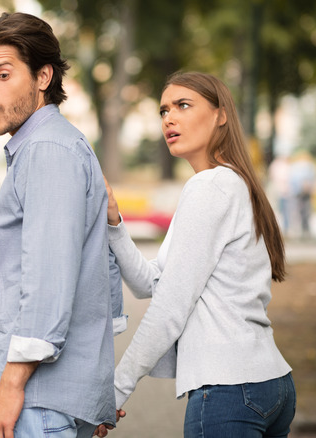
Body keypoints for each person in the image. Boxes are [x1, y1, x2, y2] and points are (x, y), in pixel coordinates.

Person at [97, 72, 295, 438]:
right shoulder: (231, 182)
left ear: (221, 114)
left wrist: (114, 390)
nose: (168, 118)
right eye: (163, 110)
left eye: (183, 106)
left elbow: (169, 308)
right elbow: (152, 283)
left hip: (230, 391)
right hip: (272, 385)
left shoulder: (209, 188)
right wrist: (114, 223)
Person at [0, 12, 126, 438]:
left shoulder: (47, 151)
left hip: (38, 400)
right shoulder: (61, 145)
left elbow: (48, 283)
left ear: (42, 77)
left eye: (2, 74)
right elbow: (99, 277)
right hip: (58, 397)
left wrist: (9, 388)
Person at [289, 150, 316, 239]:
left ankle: (305, 229)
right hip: (299, 192)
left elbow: (314, 179)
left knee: (306, 211)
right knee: (301, 211)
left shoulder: (308, 167)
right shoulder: (299, 167)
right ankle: (302, 229)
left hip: (304, 192)